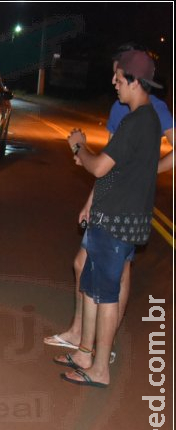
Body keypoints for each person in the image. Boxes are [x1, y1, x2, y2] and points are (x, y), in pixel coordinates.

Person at [44, 45, 172, 353]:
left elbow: (103, 165)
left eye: (117, 77)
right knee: (89, 274)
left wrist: (80, 149)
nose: (113, 83)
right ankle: (87, 345)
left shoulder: (148, 113)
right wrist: (91, 198)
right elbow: (110, 165)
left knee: (109, 284)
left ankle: (100, 352)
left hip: (120, 213)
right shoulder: (126, 111)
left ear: (132, 79)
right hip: (110, 205)